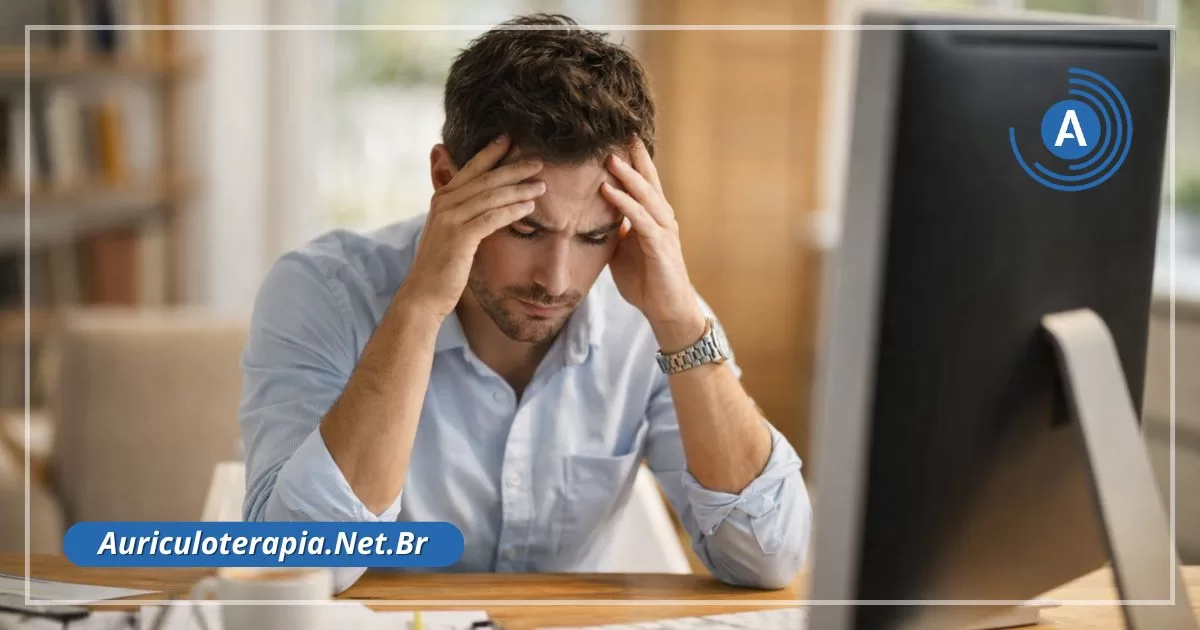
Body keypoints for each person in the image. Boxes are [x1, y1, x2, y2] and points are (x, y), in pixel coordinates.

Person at [238, 13, 812, 592]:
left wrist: (682, 322)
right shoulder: (322, 292)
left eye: (594, 237)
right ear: (445, 179)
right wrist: (418, 309)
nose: (557, 280)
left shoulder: (652, 318)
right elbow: (291, 565)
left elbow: (769, 557)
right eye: (525, 229)